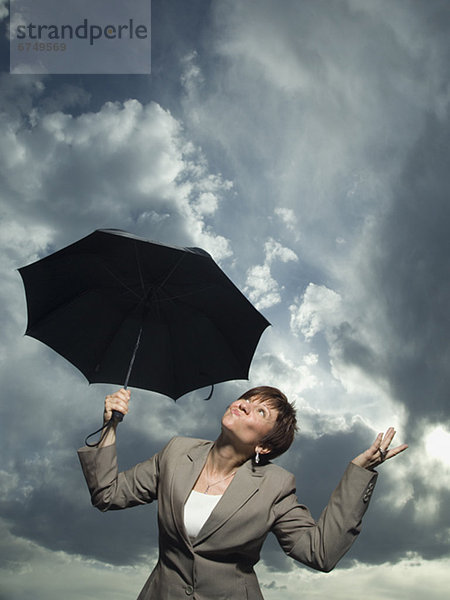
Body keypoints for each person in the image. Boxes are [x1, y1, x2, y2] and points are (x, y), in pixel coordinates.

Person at [78, 386, 408, 600]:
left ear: (263, 445)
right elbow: (107, 494)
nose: (244, 405)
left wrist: (359, 472)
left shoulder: (276, 485)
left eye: (260, 411)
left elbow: (319, 552)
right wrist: (111, 425)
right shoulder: (177, 452)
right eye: (247, 400)